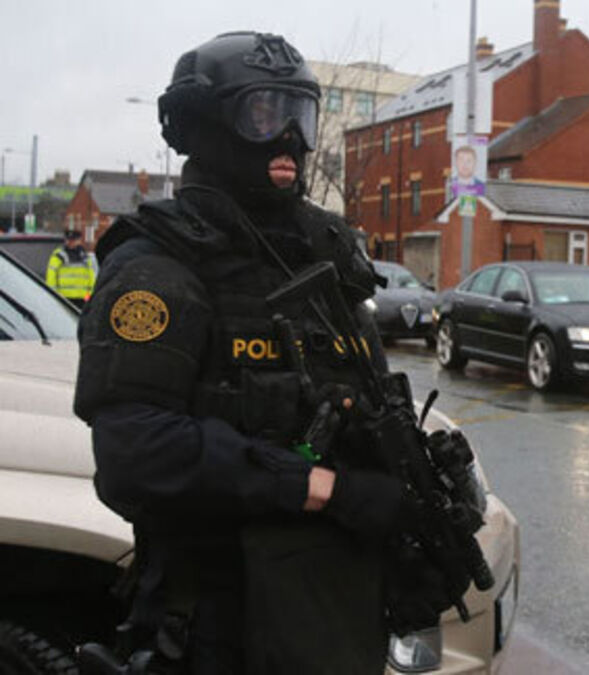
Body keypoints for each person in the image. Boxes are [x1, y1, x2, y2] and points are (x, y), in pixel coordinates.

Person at [73, 32, 468, 674]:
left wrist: (411, 508)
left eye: (300, 114)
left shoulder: (326, 255)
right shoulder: (160, 265)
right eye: (262, 112)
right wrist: (325, 490)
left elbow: (363, 401)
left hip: (332, 623)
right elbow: (134, 452)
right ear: (203, 124)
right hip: (218, 622)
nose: (288, 137)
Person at [45, 228, 96, 308]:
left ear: (79, 240)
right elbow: (51, 277)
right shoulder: (59, 256)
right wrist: (55, 295)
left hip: (82, 299)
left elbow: (92, 277)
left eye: (74, 240)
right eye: (69, 240)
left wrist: (88, 296)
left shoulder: (85, 257)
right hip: (64, 299)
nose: (71, 242)